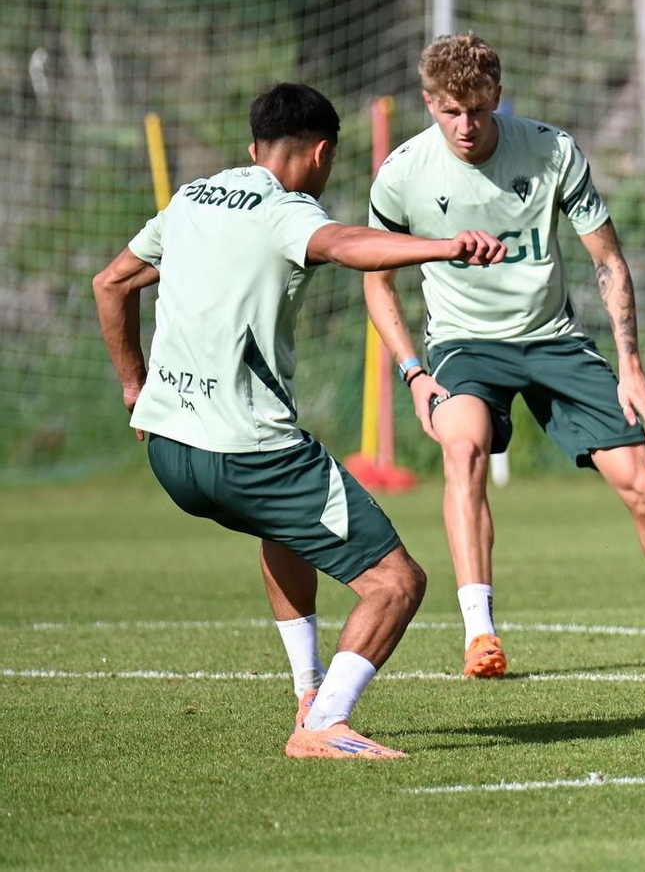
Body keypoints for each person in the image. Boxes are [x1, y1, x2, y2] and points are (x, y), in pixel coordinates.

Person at [92, 83, 506, 758]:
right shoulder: (287, 211)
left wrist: (136, 388)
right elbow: (345, 244)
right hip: (249, 452)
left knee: (283, 531)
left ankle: (308, 689)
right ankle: (324, 724)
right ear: (320, 153)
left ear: (253, 146)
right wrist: (443, 248)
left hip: (169, 450)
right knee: (397, 583)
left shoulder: (192, 197)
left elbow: (110, 283)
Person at [363, 32, 645, 678]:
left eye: (478, 109)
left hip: (553, 339)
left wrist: (631, 366)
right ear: (429, 102)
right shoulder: (402, 174)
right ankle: (480, 637)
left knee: (642, 480)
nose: (466, 125)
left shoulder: (551, 151)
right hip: (462, 344)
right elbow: (376, 279)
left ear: (498, 98)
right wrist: (413, 371)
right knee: (464, 448)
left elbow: (608, 260)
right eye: (451, 110)